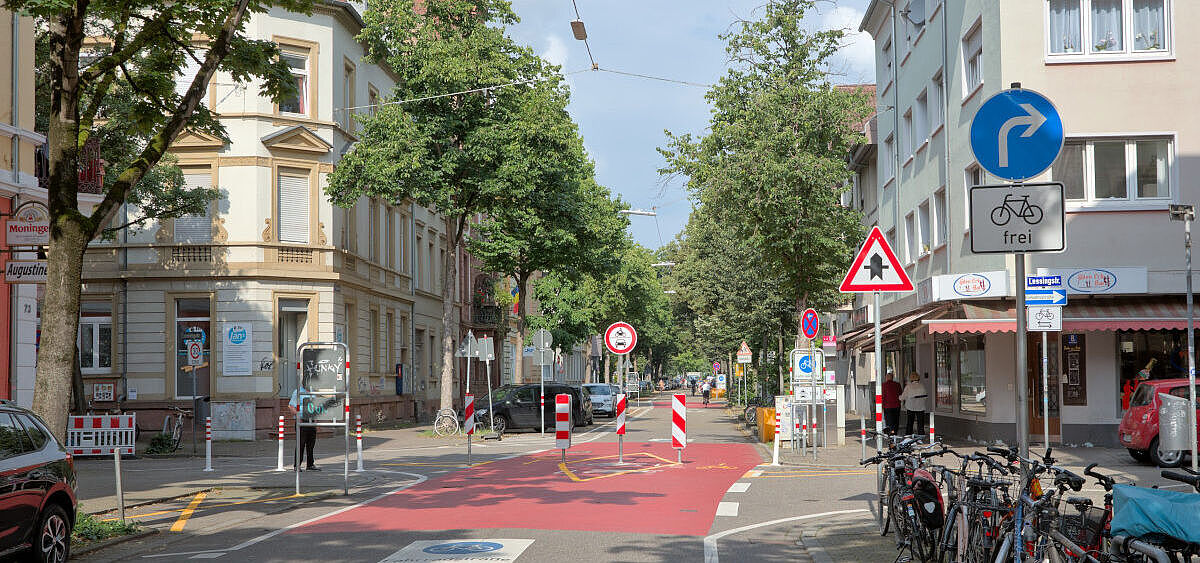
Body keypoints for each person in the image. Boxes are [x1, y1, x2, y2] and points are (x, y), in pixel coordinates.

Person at [288, 384, 319, 471]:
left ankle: (310, 464)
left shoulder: (313, 391)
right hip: (302, 421)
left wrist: (315, 420)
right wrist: (298, 417)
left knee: (311, 444)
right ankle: (297, 465)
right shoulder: (298, 391)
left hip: (311, 421)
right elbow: (291, 406)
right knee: (300, 444)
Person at [900, 372, 929, 436]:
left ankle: (908, 435)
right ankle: (921, 435)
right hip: (920, 407)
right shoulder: (922, 386)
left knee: (910, 422)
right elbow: (925, 397)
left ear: (911, 378)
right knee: (920, 423)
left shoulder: (908, 386)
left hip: (910, 407)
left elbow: (903, 397)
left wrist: (899, 398)